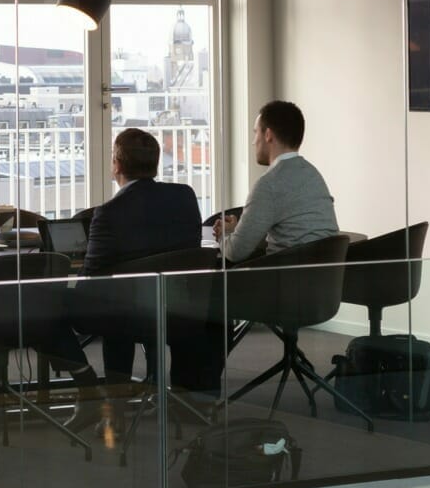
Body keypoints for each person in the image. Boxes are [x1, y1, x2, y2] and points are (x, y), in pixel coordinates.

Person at [72, 128, 202, 385]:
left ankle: (98, 391)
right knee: (122, 299)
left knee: (86, 304)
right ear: (154, 163)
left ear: (117, 165)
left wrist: (65, 282)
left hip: (128, 316)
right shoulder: (184, 196)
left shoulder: (109, 213)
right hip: (179, 308)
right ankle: (160, 390)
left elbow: (91, 279)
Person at [218, 100, 339, 263]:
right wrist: (238, 230)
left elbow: (235, 252)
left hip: (285, 283)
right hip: (325, 282)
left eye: (256, 133)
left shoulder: (269, 184)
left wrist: (224, 234)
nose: (254, 141)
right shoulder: (314, 176)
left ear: (268, 135)